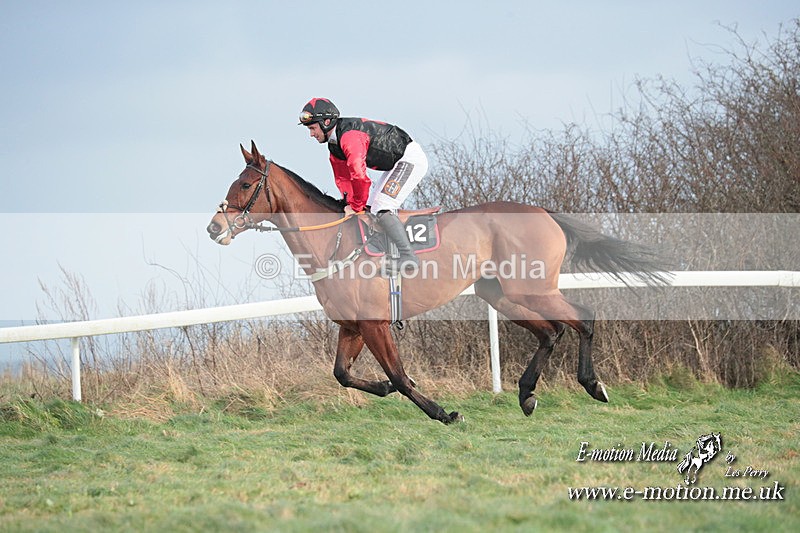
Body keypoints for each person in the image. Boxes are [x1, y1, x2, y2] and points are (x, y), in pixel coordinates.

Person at [299, 97, 428, 271]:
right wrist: (349, 204)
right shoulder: (334, 147)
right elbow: (344, 180)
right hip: (394, 164)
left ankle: (408, 257)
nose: (311, 134)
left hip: (409, 159)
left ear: (327, 122)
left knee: (382, 205)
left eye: (313, 128)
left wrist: (356, 206)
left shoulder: (349, 137)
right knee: (371, 206)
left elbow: (359, 176)